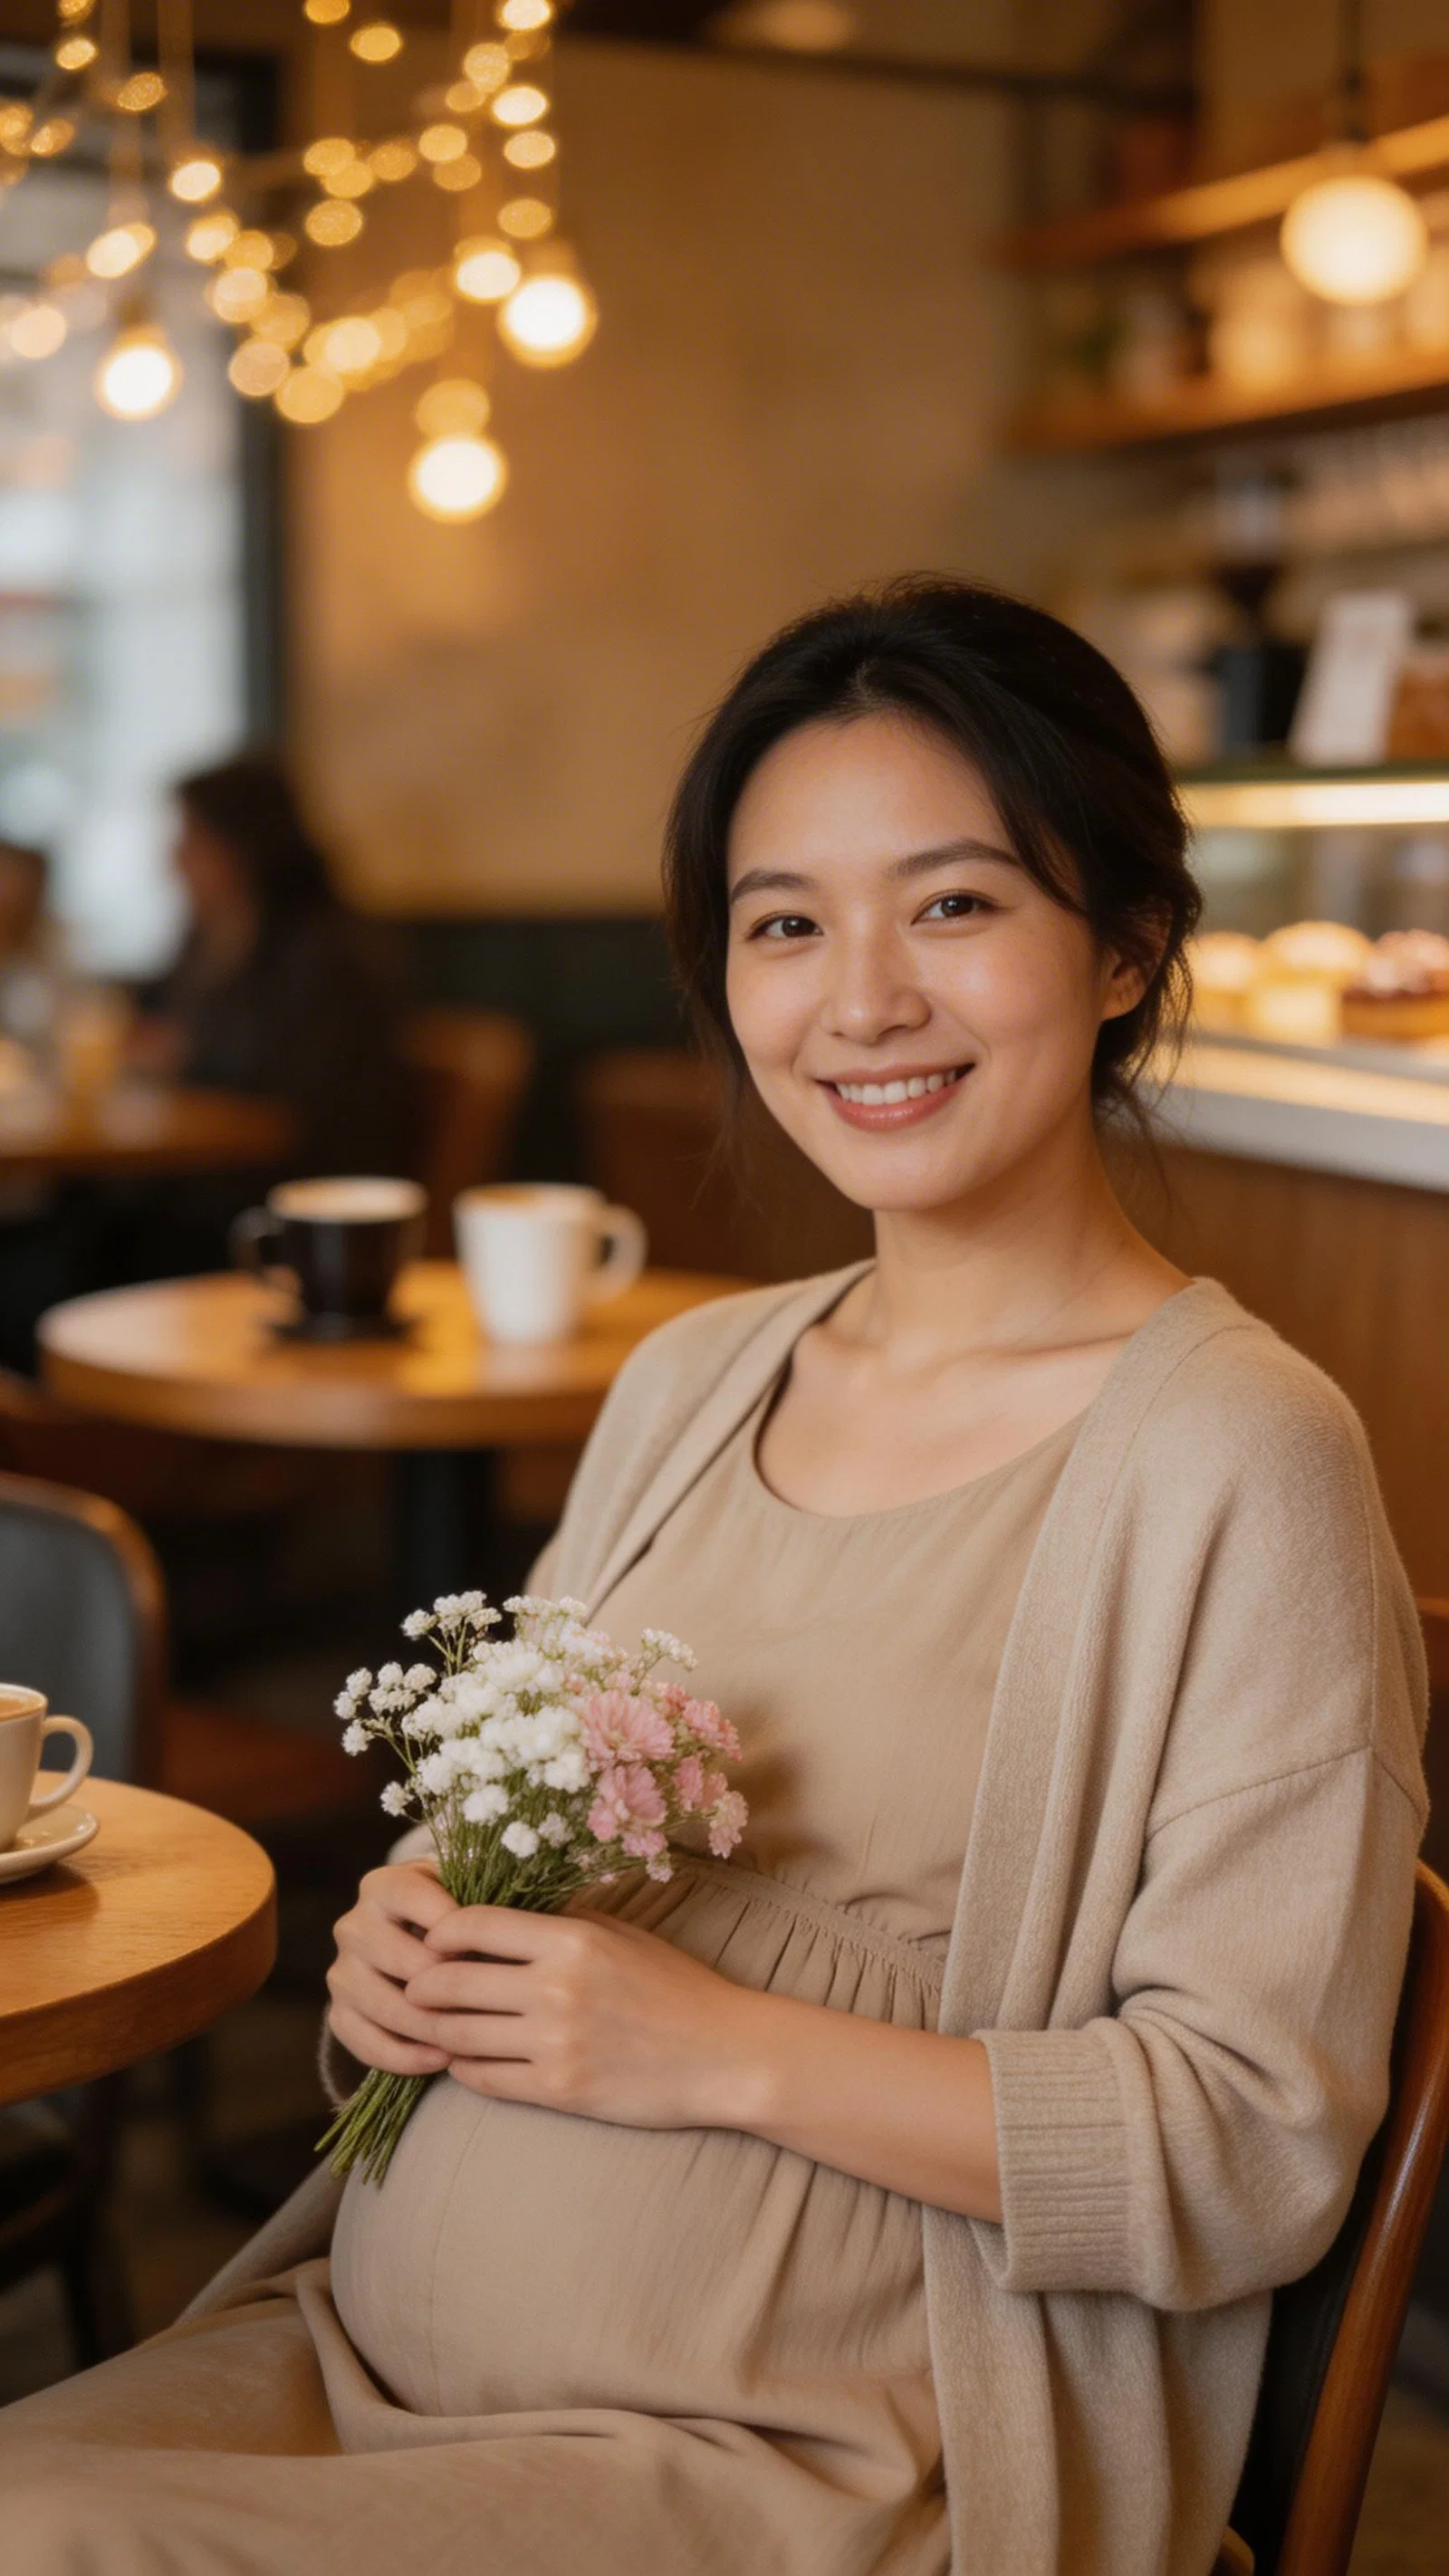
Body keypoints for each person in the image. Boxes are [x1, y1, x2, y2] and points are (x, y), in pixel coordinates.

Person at [1, 581, 1426, 2576]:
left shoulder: (1232, 1461)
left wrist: (711, 2047)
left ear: (1120, 945)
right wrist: (397, 1945)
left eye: (949, 905)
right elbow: (501, 1862)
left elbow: (1248, 2149)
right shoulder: (686, 1379)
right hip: (361, 2365)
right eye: (782, 923)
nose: (856, 1001)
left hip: (837, 2466)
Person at [132, 753, 411, 1185]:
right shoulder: (208, 938)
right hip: (210, 1173)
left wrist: (183, 1057)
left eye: (194, 838)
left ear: (245, 843)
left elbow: (300, 1105)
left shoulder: (329, 953)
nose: (175, 859)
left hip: (293, 1188)